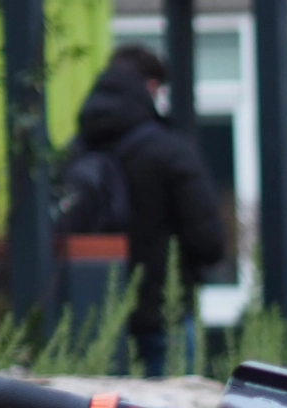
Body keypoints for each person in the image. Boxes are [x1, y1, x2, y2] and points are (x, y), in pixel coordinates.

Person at [66, 44, 226, 376]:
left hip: (89, 321)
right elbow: (209, 241)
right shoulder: (169, 150)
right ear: (152, 87)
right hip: (162, 318)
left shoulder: (74, 151)